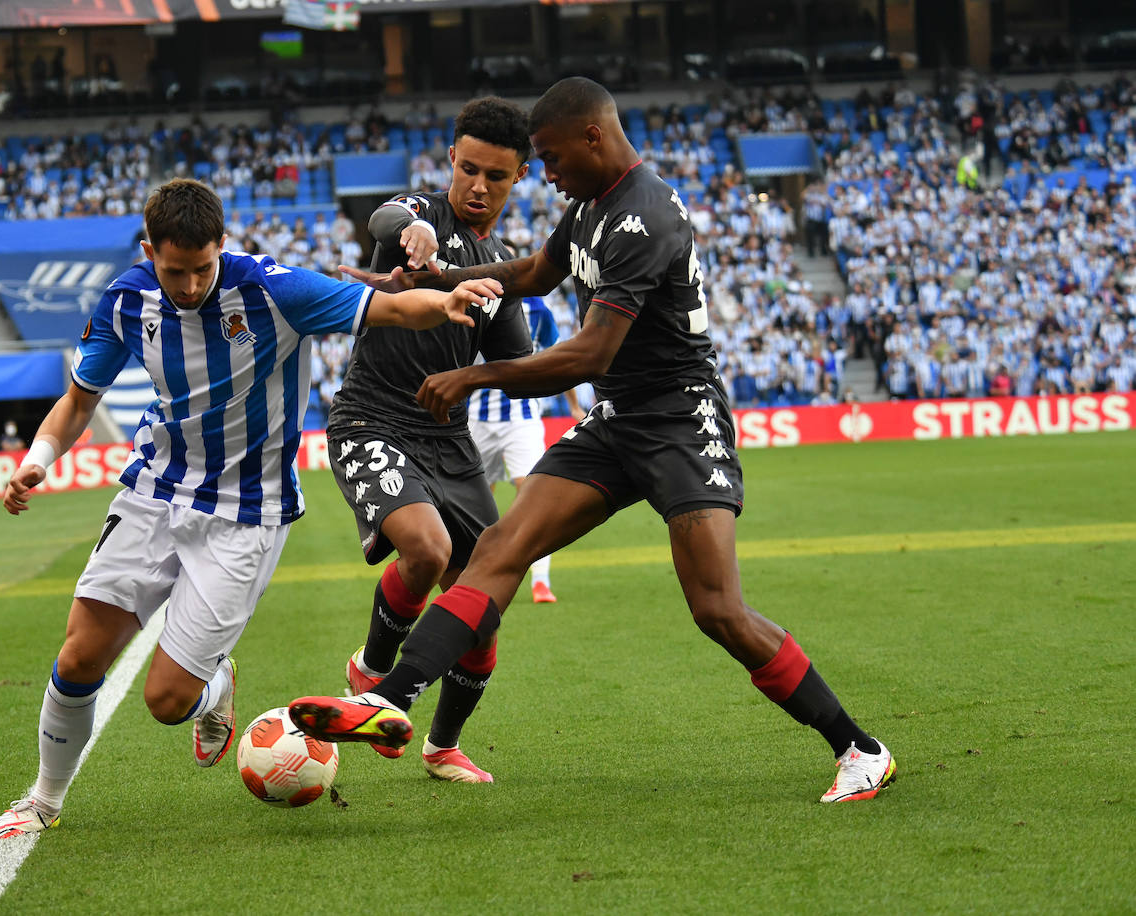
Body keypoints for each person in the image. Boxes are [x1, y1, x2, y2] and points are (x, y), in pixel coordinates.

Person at [290, 78, 895, 804]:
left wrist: (476, 378)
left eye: (546, 157)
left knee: (717, 611)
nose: (543, 173)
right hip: (618, 419)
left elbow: (590, 354)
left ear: (592, 139)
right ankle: (391, 698)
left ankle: (860, 749)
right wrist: (447, 279)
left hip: (678, 421)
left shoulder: (644, 217)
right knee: (499, 550)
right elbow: (530, 274)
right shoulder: (589, 207)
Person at [0, 178, 502, 840]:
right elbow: (81, 399)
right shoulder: (126, 299)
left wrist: (445, 299)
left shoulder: (272, 291)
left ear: (222, 247)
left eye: (203, 268)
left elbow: (390, 309)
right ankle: (44, 801)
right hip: (155, 493)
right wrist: (39, 457)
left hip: (246, 515)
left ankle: (213, 686)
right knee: (81, 655)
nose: (191, 285)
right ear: (149, 252)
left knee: (166, 703)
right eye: (176, 270)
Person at [325, 97, 534, 784]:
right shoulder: (419, 214)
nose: (478, 186)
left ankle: (441, 745)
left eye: (495, 177)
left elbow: (516, 363)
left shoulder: (502, 266)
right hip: (372, 421)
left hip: (450, 445)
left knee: (485, 606)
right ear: (450, 160)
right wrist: (412, 233)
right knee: (428, 546)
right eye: (468, 169)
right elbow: (389, 219)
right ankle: (373, 670)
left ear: (518, 177)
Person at [465, 293, 585, 604]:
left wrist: (573, 405)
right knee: (473, 500)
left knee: (533, 496)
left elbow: (557, 353)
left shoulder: (538, 309)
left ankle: (540, 581)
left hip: (524, 418)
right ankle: (473, 573)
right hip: (478, 418)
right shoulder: (474, 303)